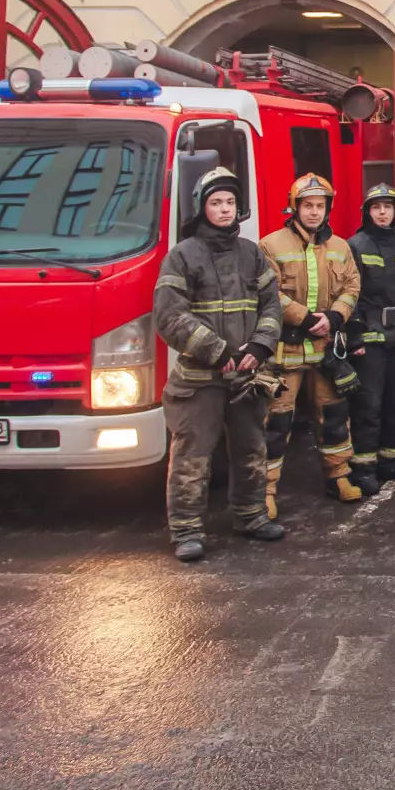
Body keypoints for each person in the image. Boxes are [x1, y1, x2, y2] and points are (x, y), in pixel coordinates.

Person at [153, 166, 286, 561]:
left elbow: (271, 304)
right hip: (200, 380)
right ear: (202, 208)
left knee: (250, 448)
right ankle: (186, 531)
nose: (225, 209)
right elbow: (170, 316)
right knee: (192, 456)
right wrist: (220, 351)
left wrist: (261, 347)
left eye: (230, 202)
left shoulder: (251, 254)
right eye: (216, 203)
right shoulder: (182, 256)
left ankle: (251, 515)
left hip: (247, 374)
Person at [260, 172, 366, 513]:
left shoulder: (340, 247)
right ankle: (266, 490)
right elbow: (269, 294)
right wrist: (305, 319)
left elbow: (352, 287)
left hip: (325, 352)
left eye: (320, 206)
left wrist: (334, 317)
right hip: (286, 351)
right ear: (294, 207)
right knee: (276, 423)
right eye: (307, 205)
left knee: (334, 416)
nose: (314, 212)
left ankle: (339, 477)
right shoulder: (270, 245)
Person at [345, 184, 395, 487]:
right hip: (369, 342)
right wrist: (354, 336)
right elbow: (348, 294)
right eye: (376, 207)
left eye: (388, 207)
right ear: (367, 212)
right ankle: (363, 470)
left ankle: (393, 462)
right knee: (368, 406)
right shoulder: (355, 246)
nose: (382, 212)